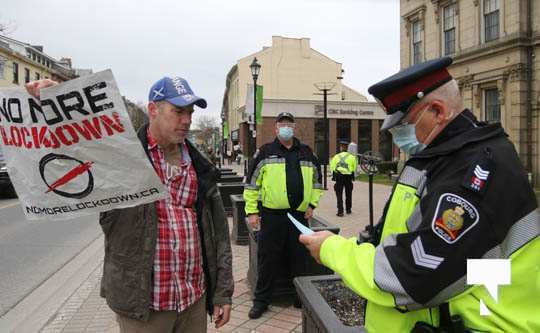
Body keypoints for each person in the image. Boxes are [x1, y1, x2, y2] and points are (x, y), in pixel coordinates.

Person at [299, 57, 539, 333]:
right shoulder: (439, 157)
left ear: (437, 111)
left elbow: (409, 276)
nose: (399, 136)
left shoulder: (475, 171)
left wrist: (332, 249)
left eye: (404, 125)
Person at [26, 76, 234, 332]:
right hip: (143, 306)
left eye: (190, 112)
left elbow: (219, 234)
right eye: (178, 111)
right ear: (153, 110)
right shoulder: (122, 157)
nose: (187, 120)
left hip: (193, 300)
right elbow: (75, 147)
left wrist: (222, 292)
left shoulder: (199, 165)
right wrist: (54, 103)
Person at [243, 111, 323, 319]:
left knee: (299, 257)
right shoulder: (265, 152)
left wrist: (312, 204)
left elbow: (317, 182)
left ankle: (300, 297)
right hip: (272, 216)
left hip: (299, 216)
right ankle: (261, 300)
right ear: (276, 128)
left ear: (294, 127)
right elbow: (252, 185)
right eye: (282, 124)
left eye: (289, 123)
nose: (286, 127)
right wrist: (252, 211)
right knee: (268, 257)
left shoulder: (306, 152)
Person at [330, 140, 357, 216]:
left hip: (339, 177)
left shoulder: (336, 157)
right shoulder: (352, 157)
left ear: (341, 148)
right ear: (347, 148)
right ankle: (348, 210)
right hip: (348, 177)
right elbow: (354, 168)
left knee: (339, 194)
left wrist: (334, 175)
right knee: (348, 194)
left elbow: (333, 167)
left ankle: (340, 211)